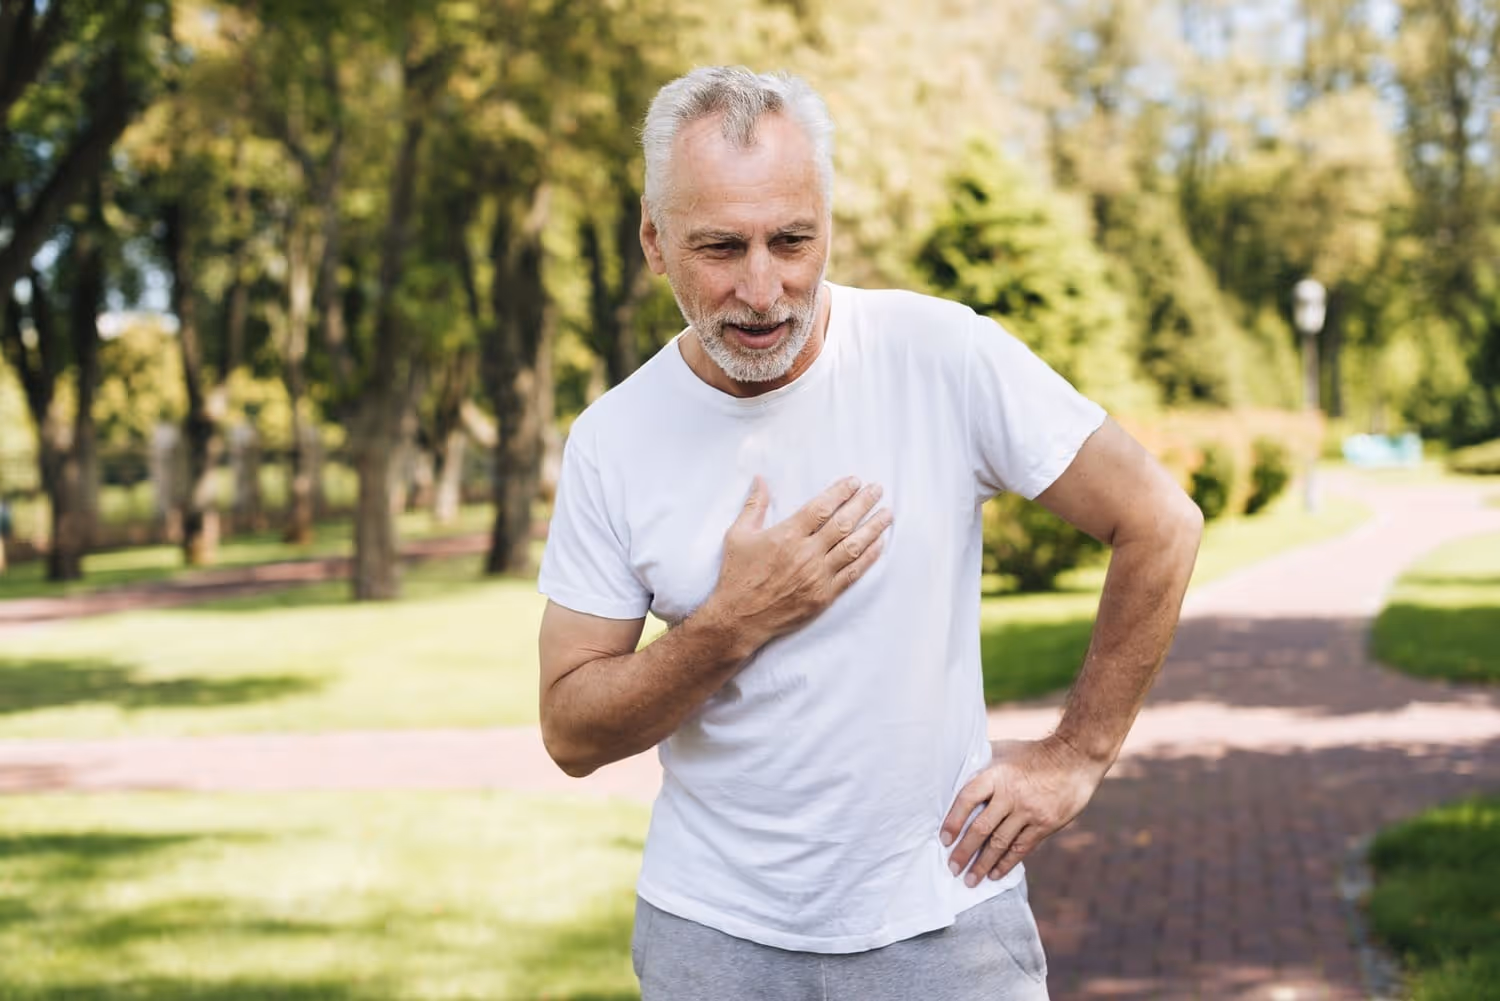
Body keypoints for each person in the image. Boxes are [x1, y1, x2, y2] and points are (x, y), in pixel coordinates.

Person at [537, 66, 1203, 1000]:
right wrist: (733, 622)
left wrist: (1078, 755)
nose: (763, 289)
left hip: (946, 922)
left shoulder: (945, 356)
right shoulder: (612, 437)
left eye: (792, 240)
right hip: (713, 942)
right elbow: (570, 730)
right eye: (721, 247)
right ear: (654, 240)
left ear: (828, 224)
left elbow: (1160, 522)